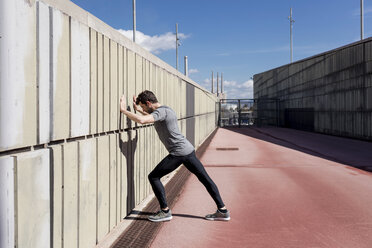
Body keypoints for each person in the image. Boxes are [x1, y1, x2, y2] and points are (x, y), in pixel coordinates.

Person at [119, 90, 230, 222]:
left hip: (178, 153)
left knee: (153, 176)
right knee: (205, 179)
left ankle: (165, 211)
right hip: (188, 150)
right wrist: (138, 110)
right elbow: (151, 116)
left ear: (148, 102)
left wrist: (123, 111)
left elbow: (143, 120)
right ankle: (222, 210)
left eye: (143, 106)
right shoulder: (166, 110)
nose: (144, 109)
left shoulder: (160, 112)